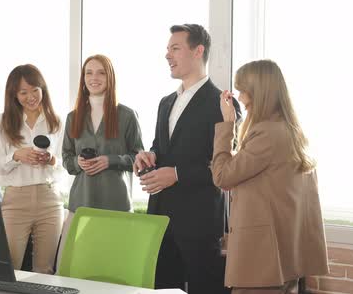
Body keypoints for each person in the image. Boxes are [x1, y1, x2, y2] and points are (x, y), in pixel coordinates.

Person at [134, 24, 241, 293]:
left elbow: (226, 167)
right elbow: (161, 146)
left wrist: (178, 174)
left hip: (200, 221)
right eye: (167, 49)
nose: (167, 55)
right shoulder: (165, 102)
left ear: (198, 51)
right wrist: (150, 156)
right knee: (161, 289)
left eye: (175, 48)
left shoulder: (223, 103)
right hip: (160, 217)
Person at [211, 59, 328, 293]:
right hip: (287, 260)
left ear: (259, 93)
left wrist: (227, 124)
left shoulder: (266, 133)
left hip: (261, 264)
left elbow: (222, 176)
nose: (240, 99)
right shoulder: (292, 132)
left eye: (243, 91)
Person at [58, 54, 144, 265]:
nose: (93, 77)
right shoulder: (73, 117)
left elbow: (139, 158)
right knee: (77, 268)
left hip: (115, 204)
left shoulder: (127, 116)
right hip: (81, 204)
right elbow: (67, 159)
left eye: (100, 72)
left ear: (110, 77)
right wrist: (78, 162)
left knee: (114, 267)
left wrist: (111, 160)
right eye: (89, 72)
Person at [0, 64, 64, 274]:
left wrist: (51, 160)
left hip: (50, 199)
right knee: (9, 268)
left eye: (35, 90)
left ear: (43, 89)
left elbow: (64, 165)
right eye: (23, 92)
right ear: (14, 94)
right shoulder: (2, 122)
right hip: (15, 201)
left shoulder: (56, 121)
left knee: (45, 270)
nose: (30, 96)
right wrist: (16, 155)